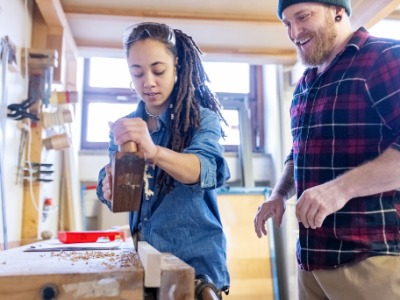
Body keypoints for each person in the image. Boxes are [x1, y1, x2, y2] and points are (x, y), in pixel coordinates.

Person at [254, 0, 400, 299]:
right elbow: (300, 154)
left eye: (303, 17)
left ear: (338, 11)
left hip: (370, 259)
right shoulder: (305, 84)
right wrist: (279, 194)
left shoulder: (386, 57)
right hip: (312, 261)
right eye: (286, 23)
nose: (294, 32)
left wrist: (339, 190)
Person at [96, 22, 230, 297]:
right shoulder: (126, 128)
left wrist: (154, 152)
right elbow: (117, 184)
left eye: (158, 70)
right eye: (137, 73)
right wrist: (106, 187)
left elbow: (205, 170)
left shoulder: (201, 119)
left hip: (195, 265)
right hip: (145, 263)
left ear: (178, 66)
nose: (148, 82)